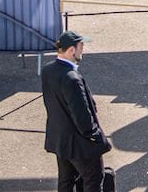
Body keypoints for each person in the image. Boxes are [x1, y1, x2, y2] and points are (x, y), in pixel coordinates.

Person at [41, 31, 112, 192]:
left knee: (66, 181)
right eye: (81, 46)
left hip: (60, 140)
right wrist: (95, 137)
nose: (83, 50)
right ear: (71, 50)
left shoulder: (48, 70)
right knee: (93, 180)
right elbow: (82, 116)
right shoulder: (72, 78)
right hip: (80, 145)